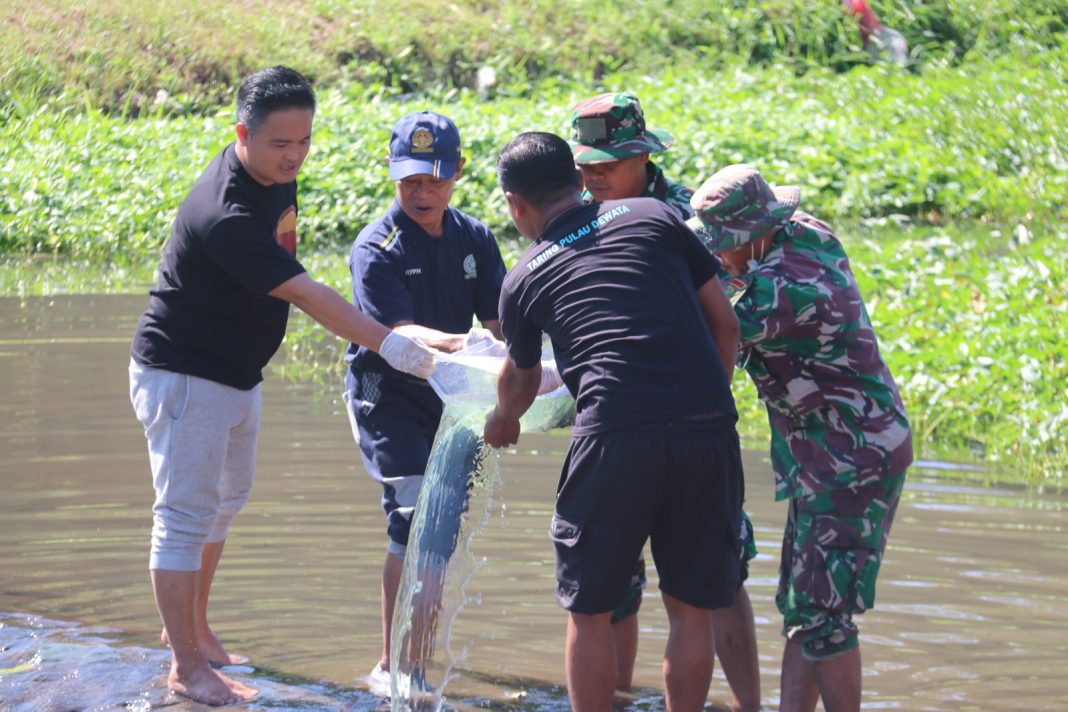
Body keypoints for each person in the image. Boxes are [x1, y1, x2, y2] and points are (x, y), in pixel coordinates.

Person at [128, 67, 436, 707]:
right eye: (280, 144)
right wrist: (392, 344)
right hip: (186, 375)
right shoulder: (226, 212)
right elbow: (305, 292)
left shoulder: (271, 177)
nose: (295, 155)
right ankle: (186, 668)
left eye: (304, 141)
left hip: (236, 371)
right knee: (183, 517)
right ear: (243, 135)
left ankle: (193, 631)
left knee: (225, 501)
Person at [484, 131, 747, 711]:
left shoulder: (523, 278)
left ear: (514, 204)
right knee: (691, 609)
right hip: (706, 428)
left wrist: (502, 420)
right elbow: (725, 325)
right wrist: (700, 405)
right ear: (579, 180)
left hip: (615, 434)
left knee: (590, 609)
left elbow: (521, 382)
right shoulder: (655, 215)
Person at [686, 164, 913, 712]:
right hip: (824, 456)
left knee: (824, 619)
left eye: (723, 246)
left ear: (755, 236)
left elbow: (708, 332)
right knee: (802, 608)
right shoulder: (801, 232)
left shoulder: (782, 290)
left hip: (853, 461)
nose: (716, 257)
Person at [568, 91, 762, 710]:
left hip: (696, 425)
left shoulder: (690, 219)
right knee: (610, 586)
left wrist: (707, 405)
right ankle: (621, 697)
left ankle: (750, 706)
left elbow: (726, 320)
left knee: (718, 579)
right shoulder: (578, 221)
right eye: (587, 166)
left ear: (644, 157)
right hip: (619, 426)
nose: (596, 177)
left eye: (610, 164)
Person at [342, 110, 506, 696]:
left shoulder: (474, 238)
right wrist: (467, 343)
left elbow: (502, 325)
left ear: (458, 171)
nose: (422, 193)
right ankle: (394, 665)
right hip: (389, 394)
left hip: (455, 397)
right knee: (413, 518)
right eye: (410, 180)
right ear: (392, 172)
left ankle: (416, 658)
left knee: (440, 527)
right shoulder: (377, 246)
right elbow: (400, 334)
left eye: (435, 179)